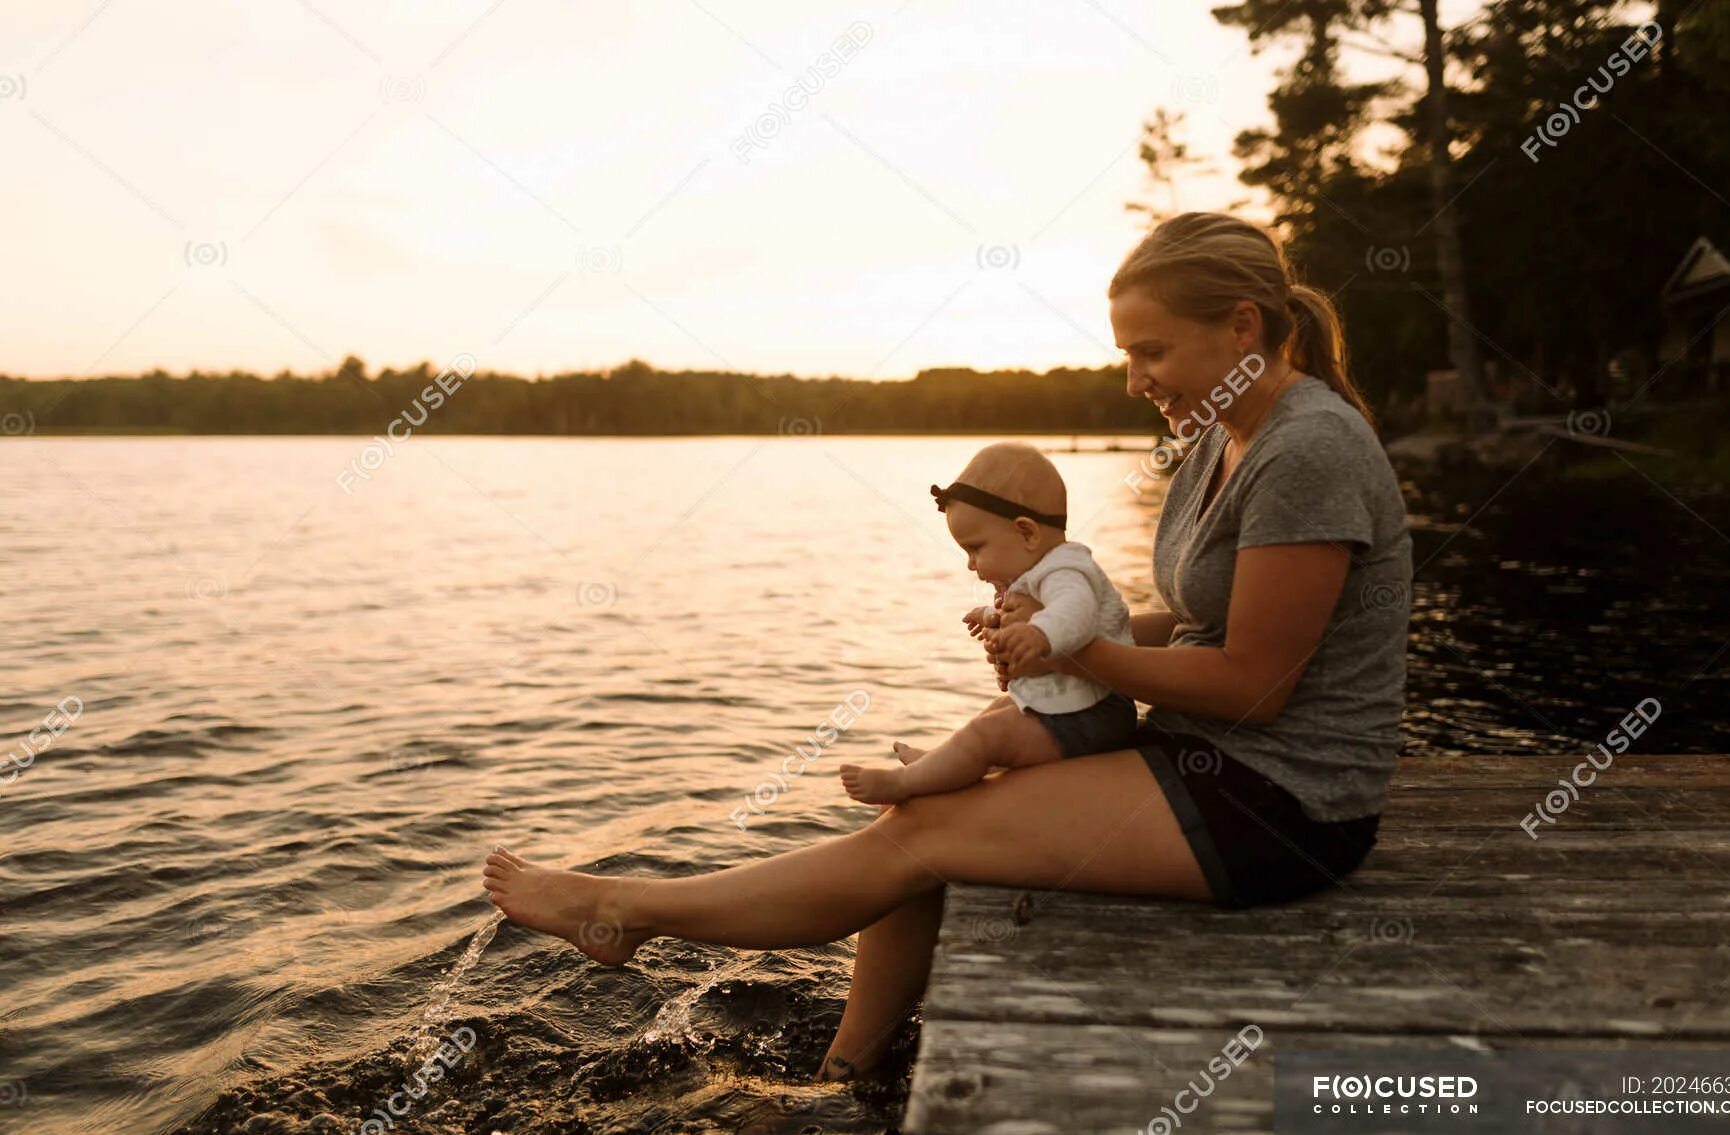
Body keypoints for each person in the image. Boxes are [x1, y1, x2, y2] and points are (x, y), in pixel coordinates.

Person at [481, 211, 1413, 1083]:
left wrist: (1072, 650)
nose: (1135, 380)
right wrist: (1067, 634)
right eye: (1129, 354)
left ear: (1243, 326)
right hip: (1205, 756)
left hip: (1285, 804)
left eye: (1152, 352)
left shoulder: (1308, 451)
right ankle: (846, 1071)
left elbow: (1255, 681)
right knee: (936, 808)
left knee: (924, 833)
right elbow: (1209, 623)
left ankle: (625, 911)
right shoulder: (1224, 437)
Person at [838, 441, 1137, 806]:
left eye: (975, 549)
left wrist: (1038, 634)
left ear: (1027, 533)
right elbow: (1022, 610)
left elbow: (1076, 611)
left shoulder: (1066, 570)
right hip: (1078, 705)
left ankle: (906, 783)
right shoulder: (1035, 573)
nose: (970, 564)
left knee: (988, 734)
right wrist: (990, 618)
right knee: (998, 712)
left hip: (1098, 714)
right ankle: (940, 763)